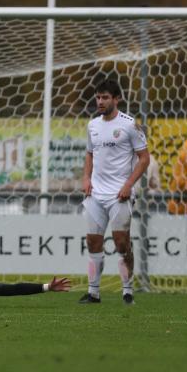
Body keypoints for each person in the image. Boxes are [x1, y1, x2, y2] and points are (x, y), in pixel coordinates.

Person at [81, 79, 150, 306]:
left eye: (105, 97)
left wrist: (129, 185)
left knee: (121, 244)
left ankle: (127, 291)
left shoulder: (130, 125)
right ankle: (93, 293)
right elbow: (90, 154)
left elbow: (144, 158)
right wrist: (86, 178)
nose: (100, 101)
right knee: (93, 242)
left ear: (116, 99)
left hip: (119, 194)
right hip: (95, 194)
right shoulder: (92, 125)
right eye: (98, 97)